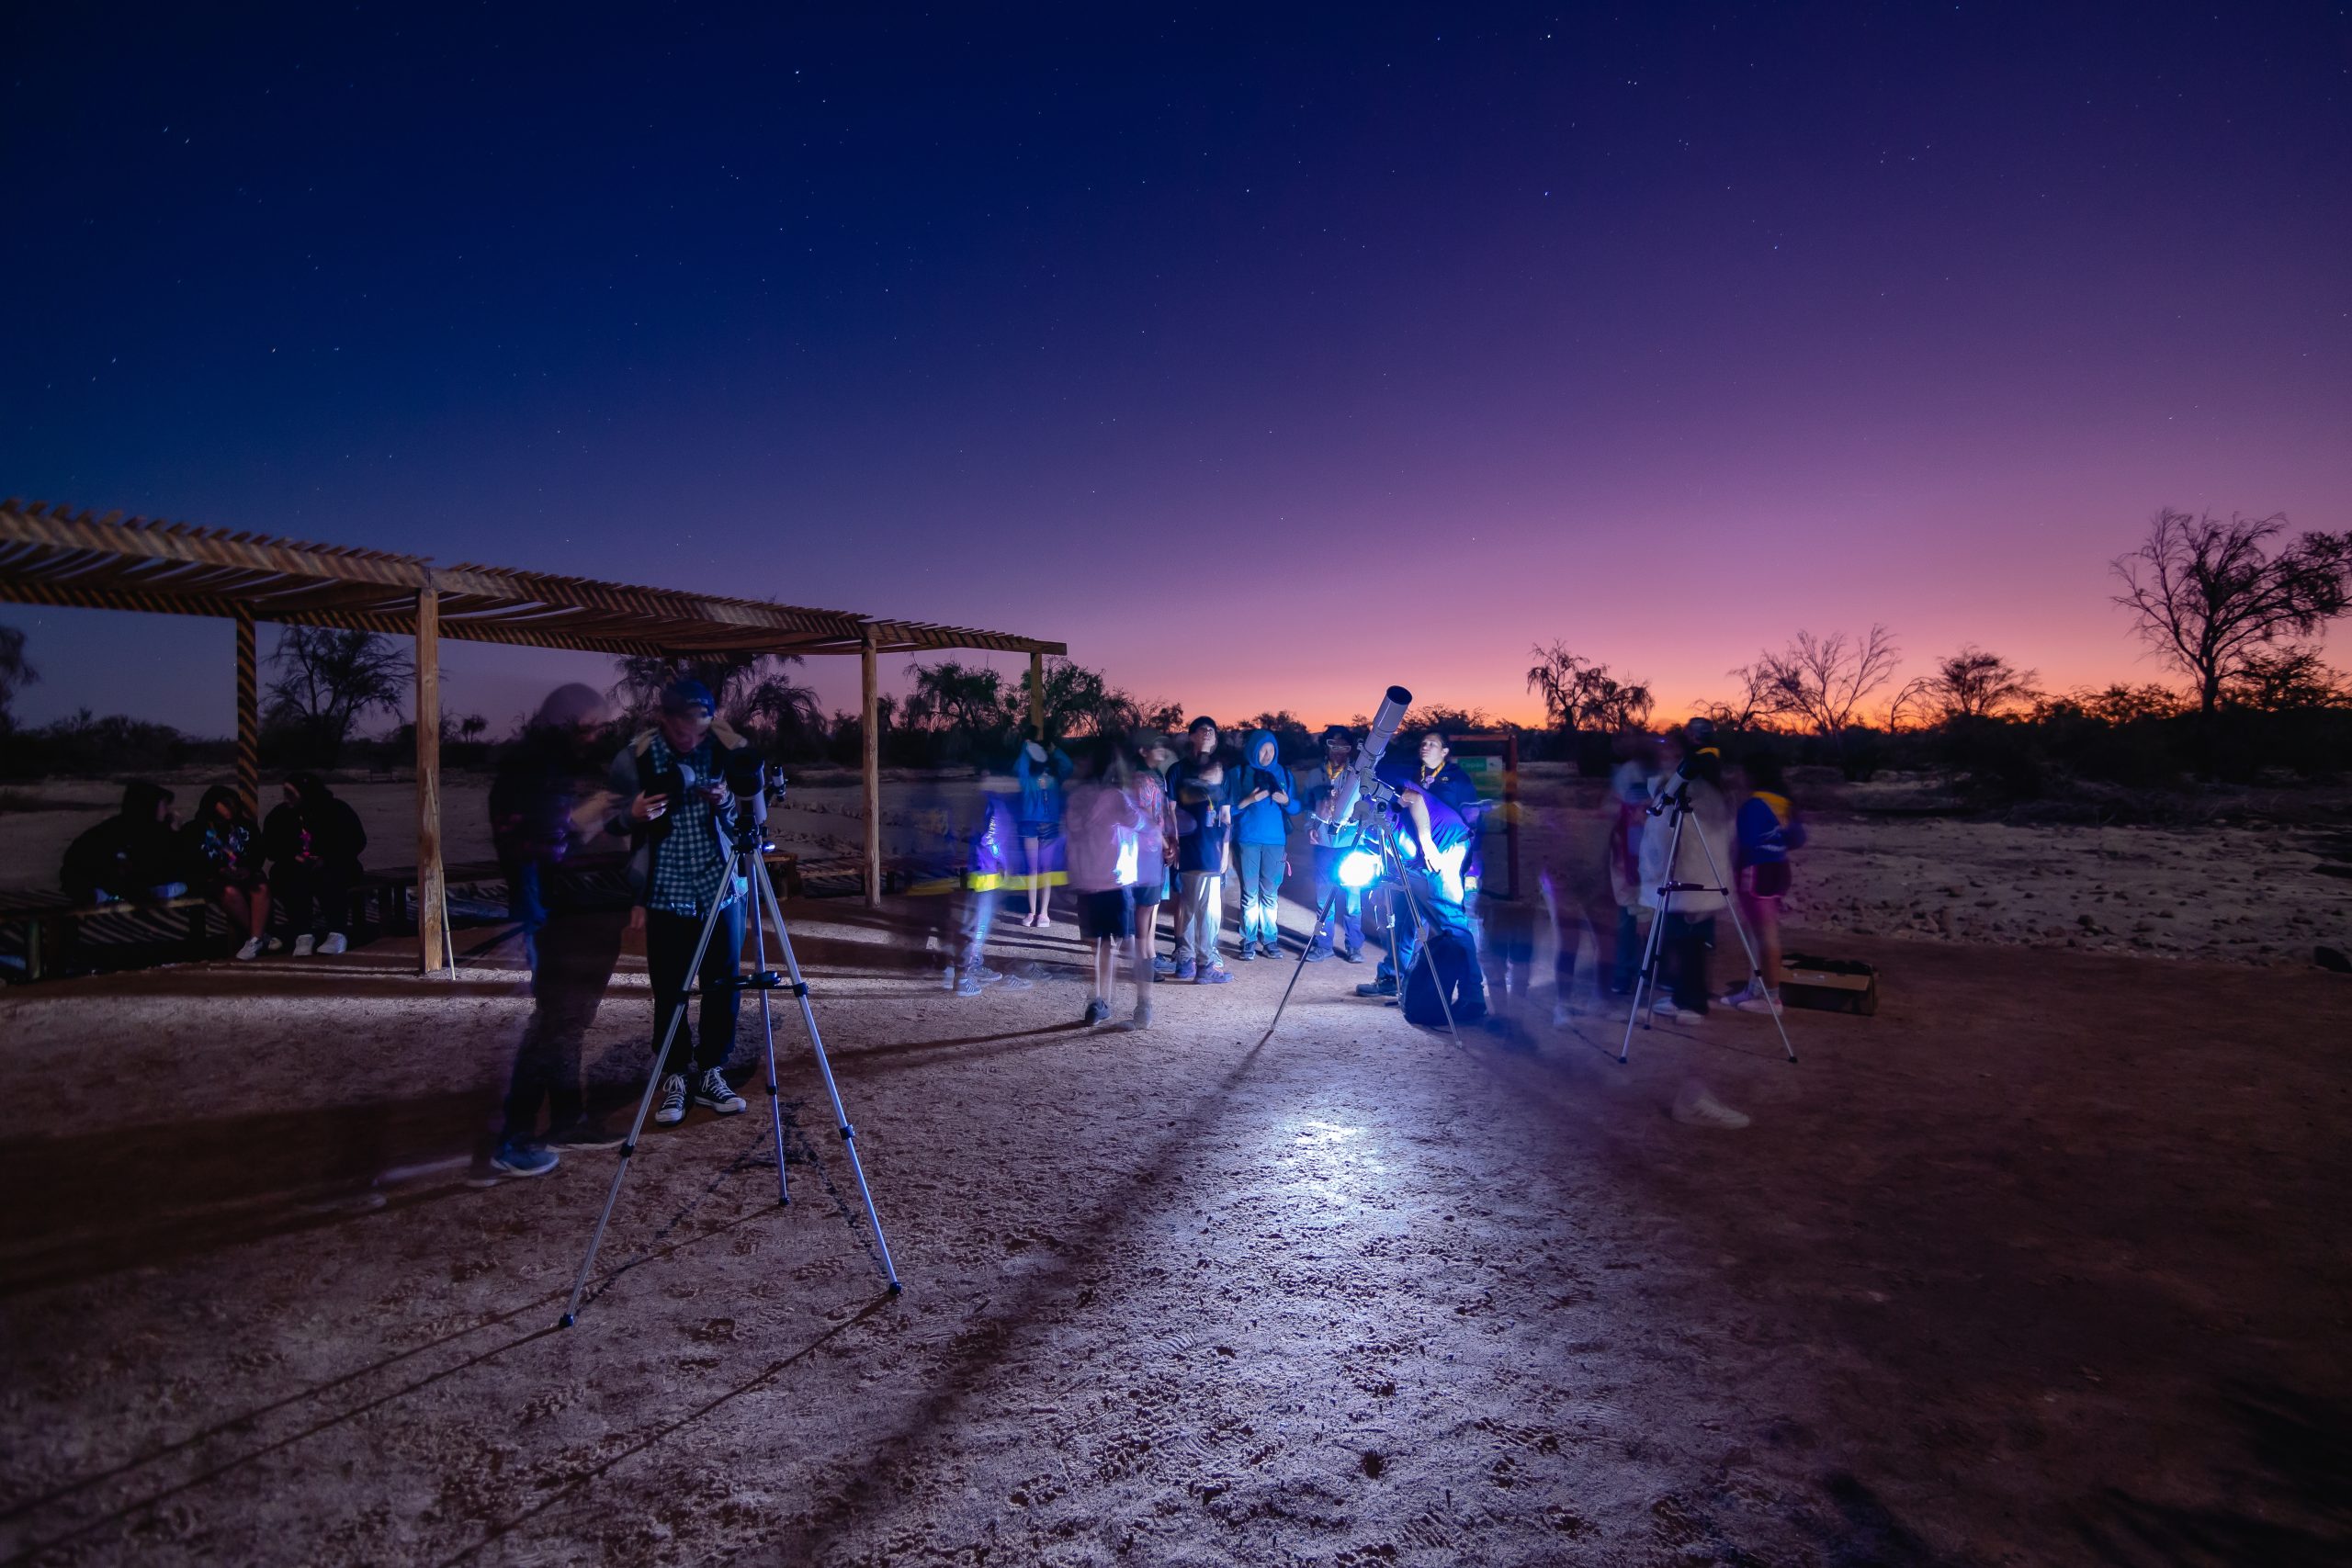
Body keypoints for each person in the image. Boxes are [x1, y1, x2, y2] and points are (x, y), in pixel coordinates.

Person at [481, 682, 630, 1178]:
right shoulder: (533, 771)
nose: (595, 736)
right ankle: (514, 1138)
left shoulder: (543, 766)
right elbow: (543, 849)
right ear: (565, 722)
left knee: (568, 1022)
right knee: (553, 1023)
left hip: (564, 912)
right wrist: (593, 818)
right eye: (589, 726)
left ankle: (567, 1118)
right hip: (551, 914)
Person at [607, 678, 752, 1128]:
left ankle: (711, 1070)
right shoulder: (635, 756)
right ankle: (674, 1074)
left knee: (722, 981)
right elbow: (610, 819)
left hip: (721, 885)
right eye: (684, 726)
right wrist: (630, 816)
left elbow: (750, 811)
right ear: (664, 719)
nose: (693, 735)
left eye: (702, 724)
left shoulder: (725, 751)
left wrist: (726, 799)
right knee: (669, 986)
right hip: (667, 888)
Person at [1357, 731, 1482, 1000]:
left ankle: (1472, 996)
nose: (1425, 747)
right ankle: (1393, 978)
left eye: (1432, 743)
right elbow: (1390, 830)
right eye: (1422, 742)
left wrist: (1433, 848)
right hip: (1415, 858)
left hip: (1443, 849)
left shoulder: (1392, 782)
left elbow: (1415, 801)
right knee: (1402, 919)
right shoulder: (1404, 778)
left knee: (1451, 925)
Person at [1638, 722, 1734, 1024]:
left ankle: (1693, 1004)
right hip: (1702, 880)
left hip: (1688, 878)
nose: (1664, 755)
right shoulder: (1707, 785)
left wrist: (1653, 875)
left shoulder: (1686, 789)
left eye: (1670, 750)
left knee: (1689, 944)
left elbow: (1665, 836)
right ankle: (1683, 997)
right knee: (1687, 943)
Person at [1063, 738, 1147, 1026]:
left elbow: (1071, 834)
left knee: (1097, 945)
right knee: (1128, 944)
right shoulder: (1117, 796)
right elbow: (1139, 823)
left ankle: (1098, 1001)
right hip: (1116, 880)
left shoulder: (1076, 797)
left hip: (1088, 881)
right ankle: (1142, 1004)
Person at [1724, 749, 1805, 1015]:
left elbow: (1745, 842)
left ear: (1751, 774)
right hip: (1778, 868)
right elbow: (1798, 838)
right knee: (1758, 933)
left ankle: (1771, 997)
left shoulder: (1753, 805)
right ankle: (1755, 990)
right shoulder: (1783, 802)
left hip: (1756, 872)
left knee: (1764, 935)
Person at [946, 766, 1034, 997]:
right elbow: (989, 838)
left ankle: (971, 964)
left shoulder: (989, 802)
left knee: (979, 922)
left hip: (983, 870)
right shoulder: (990, 804)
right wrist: (1002, 859)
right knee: (976, 923)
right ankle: (963, 974)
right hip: (985, 871)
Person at [263, 773, 367, 956]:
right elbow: (270, 847)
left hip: (334, 863)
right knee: (289, 877)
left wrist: (326, 857)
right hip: (296, 865)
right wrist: (293, 856)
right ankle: (303, 935)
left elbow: (356, 840)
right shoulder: (280, 814)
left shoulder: (337, 809)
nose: (286, 798)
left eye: (291, 793)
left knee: (331, 876)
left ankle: (337, 933)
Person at [1168, 716, 1233, 984]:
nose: (1208, 733)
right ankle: (1199, 964)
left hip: (1211, 846)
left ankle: (1192, 960)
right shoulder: (1178, 770)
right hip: (1188, 845)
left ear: (1216, 741)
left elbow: (1226, 815)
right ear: (1191, 735)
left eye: (1212, 731)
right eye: (1202, 729)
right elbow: (1169, 809)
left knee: (1204, 906)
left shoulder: (1222, 773)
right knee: (1190, 906)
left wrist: (1225, 849)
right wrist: (1173, 842)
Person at [1229, 728, 1300, 960]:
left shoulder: (1284, 774)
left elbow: (1296, 808)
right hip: (1247, 840)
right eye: (1262, 750)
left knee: (1270, 894)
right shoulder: (1239, 773)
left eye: (1271, 750)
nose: (1267, 755)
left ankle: (1269, 939)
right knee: (1250, 894)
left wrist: (1287, 801)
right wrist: (1250, 799)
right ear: (1253, 751)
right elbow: (1229, 810)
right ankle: (1248, 939)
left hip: (1275, 842)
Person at [182, 785, 273, 960]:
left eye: (234, 805)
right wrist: (219, 870)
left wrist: (247, 868)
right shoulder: (195, 829)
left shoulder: (244, 827)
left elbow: (257, 853)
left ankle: (255, 939)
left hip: (242, 874)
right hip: (213, 878)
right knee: (229, 891)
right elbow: (191, 859)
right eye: (225, 805)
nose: (231, 809)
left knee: (260, 885)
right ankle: (260, 936)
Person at [62, 781, 185, 907]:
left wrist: (174, 833)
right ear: (150, 805)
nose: (168, 810)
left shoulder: (150, 829)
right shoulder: (121, 830)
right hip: (89, 883)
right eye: (164, 804)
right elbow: (118, 869)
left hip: (112, 883)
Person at [1302, 726, 1365, 963]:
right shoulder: (1314, 775)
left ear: (1351, 750)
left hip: (1350, 843)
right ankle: (1323, 945)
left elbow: (1365, 807)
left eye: (1344, 746)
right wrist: (1310, 828)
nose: (1339, 751)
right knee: (1323, 899)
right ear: (1326, 746)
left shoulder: (1357, 775)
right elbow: (1308, 806)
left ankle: (1354, 947)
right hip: (1323, 844)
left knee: (1353, 897)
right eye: (1334, 745)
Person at [1129, 732, 1180, 995]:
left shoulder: (1156, 778)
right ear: (1143, 750)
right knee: (1145, 906)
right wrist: (1164, 843)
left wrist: (1169, 842)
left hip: (1156, 849)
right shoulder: (1140, 780)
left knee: (1152, 904)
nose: (1162, 753)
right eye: (1157, 748)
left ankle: (1148, 955)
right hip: (1146, 850)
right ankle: (1143, 959)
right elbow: (1147, 818)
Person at [1013, 734, 1073, 927]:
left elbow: (1068, 766)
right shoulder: (1027, 778)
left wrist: (1055, 750)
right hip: (1029, 824)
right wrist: (1026, 747)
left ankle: (1044, 914)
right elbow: (1019, 768)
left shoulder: (1055, 777)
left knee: (1045, 869)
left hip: (1050, 825)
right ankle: (1031, 911)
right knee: (1032, 869)